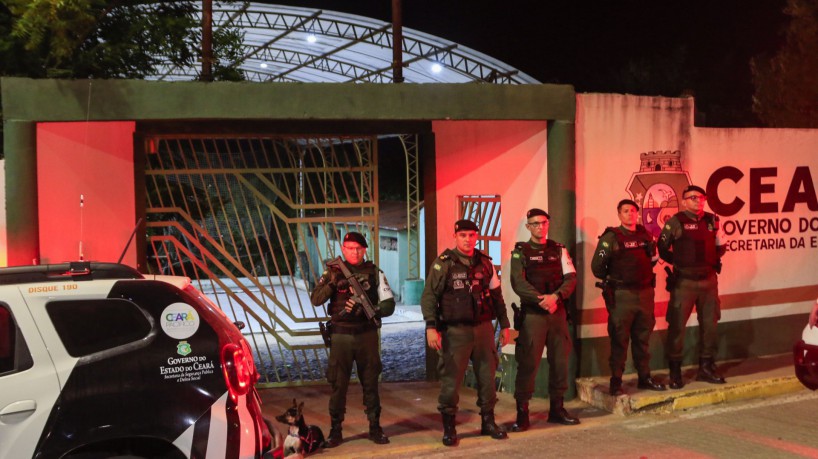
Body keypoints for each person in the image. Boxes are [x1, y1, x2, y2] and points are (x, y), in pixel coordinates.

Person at [420, 219, 511, 447]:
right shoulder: (443, 264)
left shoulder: (485, 263)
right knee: (451, 380)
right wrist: (431, 327)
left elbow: (497, 297)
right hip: (455, 332)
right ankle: (449, 428)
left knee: (487, 377)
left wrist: (505, 325)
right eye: (463, 235)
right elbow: (429, 297)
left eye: (471, 235)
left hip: (483, 330)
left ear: (476, 237)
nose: (468, 239)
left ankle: (488, 422)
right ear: (456, 236)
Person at [310, 231, 395, 448]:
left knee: (371, 382)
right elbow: (316, 299)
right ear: (343, 249)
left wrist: (371, 309)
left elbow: (389, 305)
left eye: (358, 248)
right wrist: (332, 283)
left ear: (364, 250)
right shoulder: (331, 272)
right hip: (341, 336)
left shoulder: (375, 272)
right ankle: (335, 431)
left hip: (366, 335)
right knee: (338, 384)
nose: (354, 252)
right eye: (349, 248)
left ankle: (374, 427)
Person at [510, 208, 580, 432]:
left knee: (560, 361)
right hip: (534, 316)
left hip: (557, 313)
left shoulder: (559, 250)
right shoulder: (521, 252)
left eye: (543, 223)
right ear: (528, 227)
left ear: (548, 224)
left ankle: (557, 410)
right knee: (528, 364)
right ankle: (522, 414)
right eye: (535, 224)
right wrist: (541, 300)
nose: (540, 227)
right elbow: (518, 283)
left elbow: (571, 278)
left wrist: (556, 297)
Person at [591, 199, 666, 395]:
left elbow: (654, 260)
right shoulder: (611, 238)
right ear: (619, 214)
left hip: (644, 295)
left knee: (643, 339)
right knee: (619, 340)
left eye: (633, 211)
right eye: (626, 211)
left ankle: (644, 377)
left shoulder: (646, 235)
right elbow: (597, 269)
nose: (630, 214)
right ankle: (616, 382)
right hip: (622, 296)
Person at [658, 185, 727, 389]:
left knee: (710, 326)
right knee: (677, 327)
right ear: (684, 201)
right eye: (693, 198)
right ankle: (675, 372)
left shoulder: (712, 221)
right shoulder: (676, 222)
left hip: (708, 281)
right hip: (684, 283)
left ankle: (706, 368)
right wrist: (679, 262)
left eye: (702, 198)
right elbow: (662, 248)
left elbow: (721, 246)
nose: (698, 201)